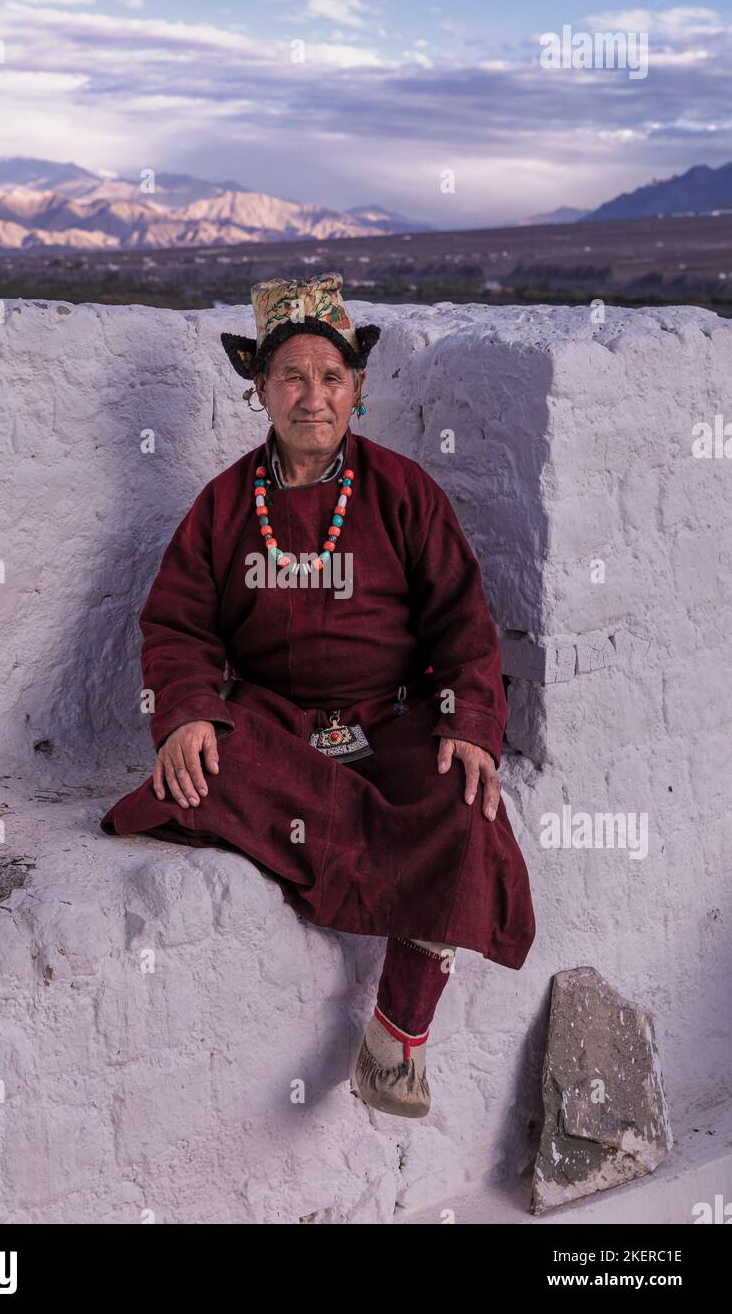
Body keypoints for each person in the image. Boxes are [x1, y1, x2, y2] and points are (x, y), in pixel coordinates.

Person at [100, 271, 536, 1119]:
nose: (312, 396)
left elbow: (462, 621)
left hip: (392, 717)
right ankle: (352, 829)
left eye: (331, 377)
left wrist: (472, 722)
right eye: (291, 377)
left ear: (358, 389)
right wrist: (187, 710)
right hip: (278, 723)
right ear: (259, 388)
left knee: (466, 802)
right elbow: (180, 626)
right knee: (206, 768)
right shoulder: (225, 506)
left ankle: (396, 1036)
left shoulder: (404, 492)